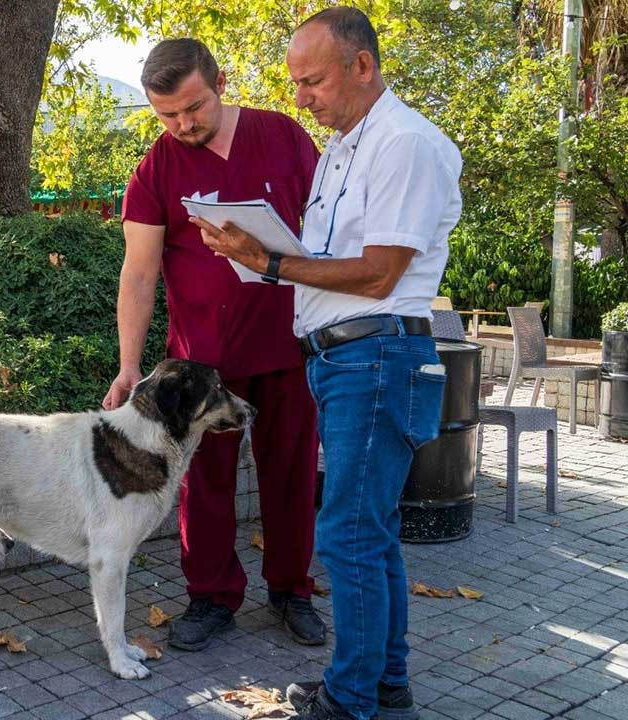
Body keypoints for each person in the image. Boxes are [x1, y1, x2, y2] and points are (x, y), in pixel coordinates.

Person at [195, 8, 463, 719]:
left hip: (374, 356)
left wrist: (270, 261)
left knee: (344, 534)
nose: (301, 97)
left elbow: (378, 274)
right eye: (294, 83)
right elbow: (331, 264)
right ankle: (382, 684)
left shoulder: (403, 143)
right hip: (345, 359)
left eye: (311, 80)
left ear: (363, 66)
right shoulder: (347, 148)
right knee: (367, 534)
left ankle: (349, 701)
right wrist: (263, 256)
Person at [103, 38, 326, 653]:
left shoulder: (284, 137)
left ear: (219, 81)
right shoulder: (156, 168)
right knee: (202, 483)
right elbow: (139, 273)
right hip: (201, 367)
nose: (183, 124)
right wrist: (129, 367)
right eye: (167, 115)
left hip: (288, 346)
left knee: (292, 475)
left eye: (193, 108)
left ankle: (292, 591)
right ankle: (210, 597)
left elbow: (331, 228)